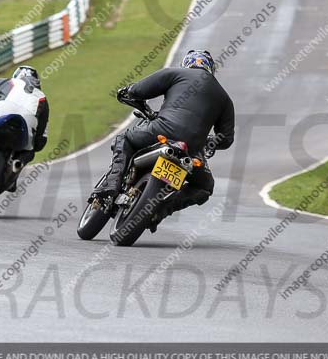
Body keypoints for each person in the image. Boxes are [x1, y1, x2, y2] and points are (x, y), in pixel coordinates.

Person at [93, 50, 235, 230]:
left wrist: (127, 91)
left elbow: (139, 90)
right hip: (192, 150)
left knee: (125, 138)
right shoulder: (225, 97)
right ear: (211, 69)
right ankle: (160, 212)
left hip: (162, 130)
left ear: (187, 64)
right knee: (204, 186)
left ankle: (112, 183)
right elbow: (227, 138)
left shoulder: (175, 73)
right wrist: (210, 143)